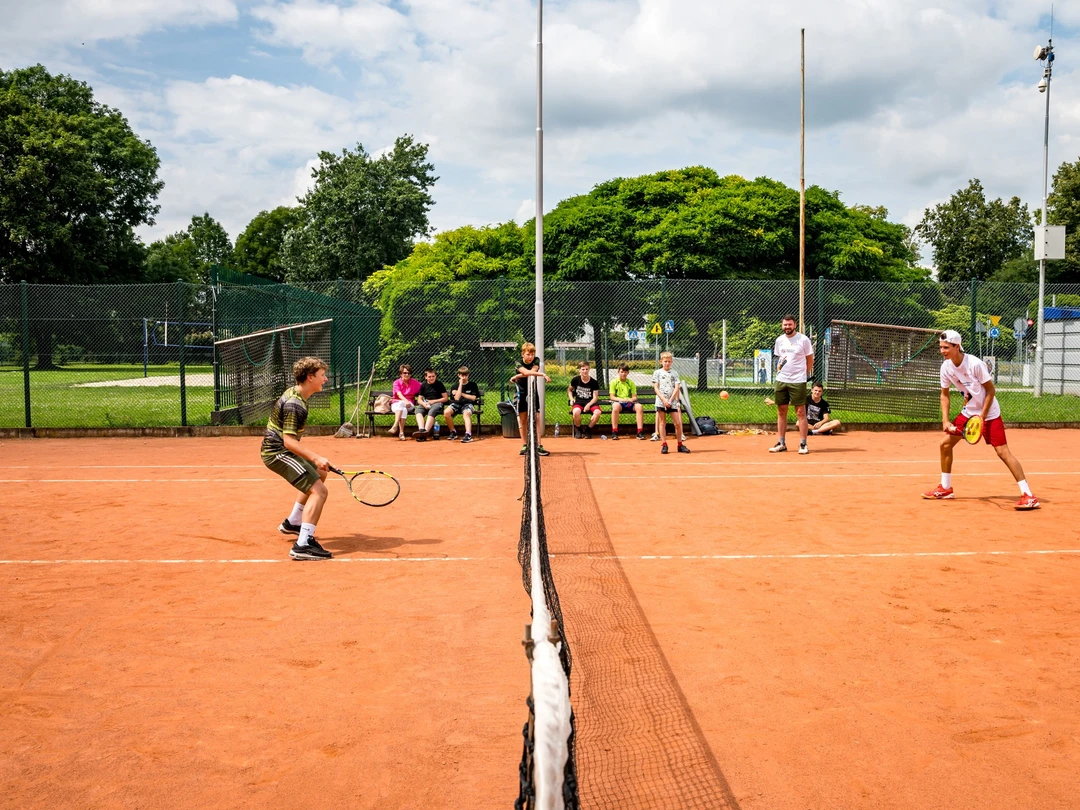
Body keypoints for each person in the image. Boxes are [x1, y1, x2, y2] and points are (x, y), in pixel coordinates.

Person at [923, 330, 1039, 510]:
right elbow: (944, 395)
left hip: (989, 412)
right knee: (945, 444)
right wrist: (945, 421)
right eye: (941, 347)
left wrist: (982, 418)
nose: (942, 351)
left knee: (1003, 452)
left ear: (957, 346)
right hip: (969, 412)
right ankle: (945, 488)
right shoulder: (946, 367)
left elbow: (991, 391)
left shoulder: (975, 364)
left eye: (946, 347)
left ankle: (1029, 495)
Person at [261, 356, 334, 561]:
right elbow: (289, 442)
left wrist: (317, 462)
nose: (325, 379)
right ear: (310, 377)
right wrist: (316, 457)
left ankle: (293, 522)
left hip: (282, 449)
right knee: (319, 491)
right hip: (277, 453)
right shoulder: (296, 404)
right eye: (322, 375)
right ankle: (302, 544)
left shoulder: (297, 393)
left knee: (319, 473)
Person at [768, 314, 814, 455]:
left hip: (798, 381)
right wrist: (780, 373)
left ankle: (803, 444)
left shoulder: (803, 340)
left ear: (794, 325)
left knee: (801, 412)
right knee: (781, 411)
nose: (787, 327)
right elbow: (780, 359)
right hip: (781, 380)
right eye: (785, 324)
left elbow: (810, 359)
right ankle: (781, 443)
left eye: (790, 324)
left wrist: (803, 375)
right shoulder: (779, 340)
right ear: (782, 325)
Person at [512, 341, 550, 456]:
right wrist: (543, 375)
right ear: (523, 354)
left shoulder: (536, 360)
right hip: (521, 393)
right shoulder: (518, 362)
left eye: (532, 354)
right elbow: (527, 372)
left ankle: (538, 446)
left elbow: (532, 372)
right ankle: (525, 445)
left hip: (533, 392)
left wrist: (517, 376)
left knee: (537, 418)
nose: (530, 357)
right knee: (523, 420)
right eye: (528, 354)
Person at [652, 351, 690, 454]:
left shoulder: (675, 373)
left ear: (672, 362)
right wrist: (664, 400)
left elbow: (677, 386)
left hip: (672, 401)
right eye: (665, 361)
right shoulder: (657, 373)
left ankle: (680, 444)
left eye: (669, 361)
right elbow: (656, 388)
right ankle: (664, 444)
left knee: (677, 423)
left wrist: (670, 400)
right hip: (661, 401)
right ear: (661, 361)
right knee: (662, 423)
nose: (667, 363)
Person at [445, 365, 480, 443]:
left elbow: (473, 398)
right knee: (446, 412)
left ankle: (468, 435)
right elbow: (457, 398)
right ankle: (453, 432)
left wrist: (462, 394)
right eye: (462, 375)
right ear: (459, 375)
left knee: (466, 413)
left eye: (466, 375)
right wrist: (460, 385)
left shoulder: (473, 385)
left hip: (468, 404)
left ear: (468, 375)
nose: (464, 377)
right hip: (456, 404)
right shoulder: (455, 386)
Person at [610, 363, 645, 439]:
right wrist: (621, 400)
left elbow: (634, 397)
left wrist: (630, 400)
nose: (623, 374)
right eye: (622, 372)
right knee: (615, 407)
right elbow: (612, 397)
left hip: (629, 404)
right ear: (618, 372)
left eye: (625, 372)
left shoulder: (631, 383)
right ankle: (614, 431)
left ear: (628, 373)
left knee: (639, 407)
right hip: (619, 403)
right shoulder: (614, 382)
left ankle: (640, 432)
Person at [567, 360, 601, 438]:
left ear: (589, 369)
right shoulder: (575, 380)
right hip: (579, 402)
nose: (585, 371)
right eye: (583, 369)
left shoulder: (594, 382)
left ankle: (588, 429)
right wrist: (572, 399)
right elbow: (569, 390)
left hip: (591, 402)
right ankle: (579, 429)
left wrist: (589, 405)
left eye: (586, 369)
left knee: (597, 412)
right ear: (579, 370)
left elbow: (595, 397)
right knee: (575, 412)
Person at [389, 363, 421, 441]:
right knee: (402, 407)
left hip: (410, 405)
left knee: (402, 405)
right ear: (400, 374)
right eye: (405, 373)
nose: (407, 374)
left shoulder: (415, 382)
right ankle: (401, 433)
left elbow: (424, 387)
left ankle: (395, 425)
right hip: (396, 404)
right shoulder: (396, 383)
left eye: (409, 373)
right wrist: (405, 401)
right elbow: (399, 394)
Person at [416, 368, 448, 438]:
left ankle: (425, 433)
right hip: (426, 403)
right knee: (418, 411)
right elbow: (419, 399)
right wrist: (424, 404)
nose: (431, 378)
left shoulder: (439, 384)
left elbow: (445, 398)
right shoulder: (423, 385)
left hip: (437, 403)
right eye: (429, 377)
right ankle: (421, 429)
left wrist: (433, 401)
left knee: (432, 411)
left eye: (433, 376)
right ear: (426, 377)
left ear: (435, 376)